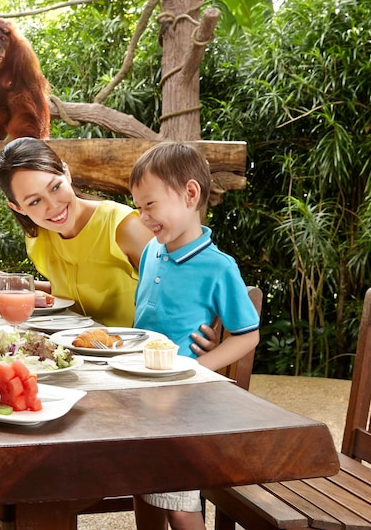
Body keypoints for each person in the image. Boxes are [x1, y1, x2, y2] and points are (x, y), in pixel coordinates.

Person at [128, 142, 260, 530]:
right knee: (144, 487)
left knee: (181, 505)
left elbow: (247, 335)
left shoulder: (218, 267)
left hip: (182, 407)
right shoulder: (153, 250)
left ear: (190, 194)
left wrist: (196, 367)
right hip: (142, 394)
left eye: (149, 204)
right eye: (138, 206)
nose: (143, 216)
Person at [0, 137, 153, 327]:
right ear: (18, 208)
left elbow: (173, 288)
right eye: (35, 201)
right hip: (76, 352)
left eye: (55, 187)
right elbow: (66, 294)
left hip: (133, 354)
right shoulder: (40, 237)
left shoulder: (123, 226)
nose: (53, 205)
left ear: (67, 173)